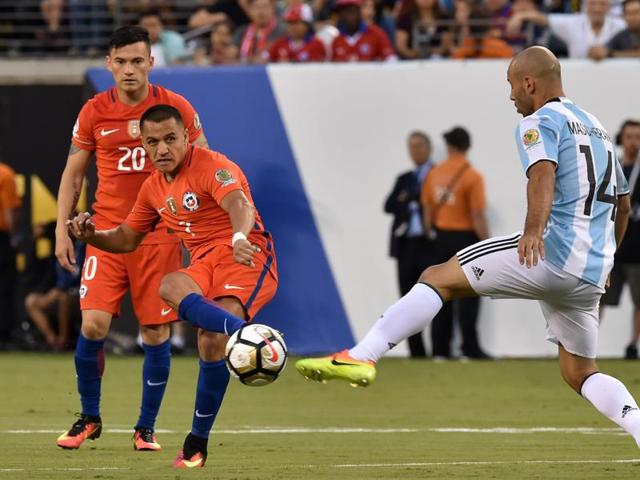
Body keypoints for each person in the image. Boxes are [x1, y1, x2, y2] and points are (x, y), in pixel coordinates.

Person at [296, 47, 640, 452]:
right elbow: (623, 204)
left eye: (511, 85)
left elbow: (542, 174)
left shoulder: (539, 121)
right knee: (580, 371)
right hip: (590, 272)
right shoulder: (597, 128)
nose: (510, 95)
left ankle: (361, 355)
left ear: (529, 82)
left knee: (436, 277)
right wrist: (608, 258)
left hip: (551, 250)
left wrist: (533, 230)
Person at [66, 104, 278, 469]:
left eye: (170, 139)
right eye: (152, 142)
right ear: (143, 146)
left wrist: (240, 236)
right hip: (204, 262)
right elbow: (127, 238)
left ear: (185, 137)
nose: (162, 149)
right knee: (169, 285)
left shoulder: (213, 165)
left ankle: (197, 441)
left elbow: (238, 204)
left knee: (210, 339)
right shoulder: (152, 188)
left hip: (245, 254)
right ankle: (248, 335)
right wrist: (92, 237)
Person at [54, 26, 209, 452]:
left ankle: (146, 427)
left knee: (155, 334)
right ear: (108, 63)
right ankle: (89, 416)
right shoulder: (93, 112)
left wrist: (199, 229)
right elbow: (71, 175)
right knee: (93, 323)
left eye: (137, 61)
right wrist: (60, 230)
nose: (129, 70)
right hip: (105, 235)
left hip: (158, 237)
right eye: (120, 62)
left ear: (151, 63)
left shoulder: (175, 108)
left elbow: (203, 165)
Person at [421, 126, 490, 359]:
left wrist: (432, 233)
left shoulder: (434, 173)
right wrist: (487, 242)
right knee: (470, 295)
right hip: (465, 239)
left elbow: (428, 210)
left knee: (438, 293)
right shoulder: (473, 176)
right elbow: (477, 215)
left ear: (449, 146)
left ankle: (440, 350)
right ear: (468, 146)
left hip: (440, 239)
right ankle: (470, 348)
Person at [384, 131, 434, 357]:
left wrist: (416, 201)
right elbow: (389, 205)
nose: (414, 152)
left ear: (429, 148)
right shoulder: (405, 178)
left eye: (418, 146)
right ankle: (417, 352)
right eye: (411, 147)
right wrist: (409, 202)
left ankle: (441, 349)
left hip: (429, 244)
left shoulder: (437, 175)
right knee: (408, 298)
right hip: (406, 245)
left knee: (434, 296)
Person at [600, 120, 640, 359]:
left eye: (638, 137)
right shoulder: (611, 167)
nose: (634, 142)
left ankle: (632, 345)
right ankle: (584, 345)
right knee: (597, 297)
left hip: (638, 251)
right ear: (621, 139)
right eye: (630, 136)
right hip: (610, 248)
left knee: (639, 301)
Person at [506, 0, 626, 59]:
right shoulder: (573, 23)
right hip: (579, 76)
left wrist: (609, 53)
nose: (597, 9)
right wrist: (519, 16)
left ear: (609, 7)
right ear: (586, 6)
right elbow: (544, 18)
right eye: (593, 4)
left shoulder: (621, 25)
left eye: (602, 4)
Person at [25, 236, 84, 351]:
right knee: (31, 301)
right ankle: (52, 340)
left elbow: (77, 273)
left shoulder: (82, 246)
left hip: (79, 293)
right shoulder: (58, 244)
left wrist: (61, 289)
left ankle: (63, 341)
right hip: (59, 291)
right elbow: (53, 276)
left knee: (63, 297)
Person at [330, 0, 397, 62]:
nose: (349, 16)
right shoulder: (336, 40)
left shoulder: (377, 34)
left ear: (359, 12)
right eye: (345, 11)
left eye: (353, 11)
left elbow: (391, 60)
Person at [0, 160, 21, 346]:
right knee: (5, 287)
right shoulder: (5, 174)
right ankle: (4, 335)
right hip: (1, 237)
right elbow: (9, 210)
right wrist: (13, 236)